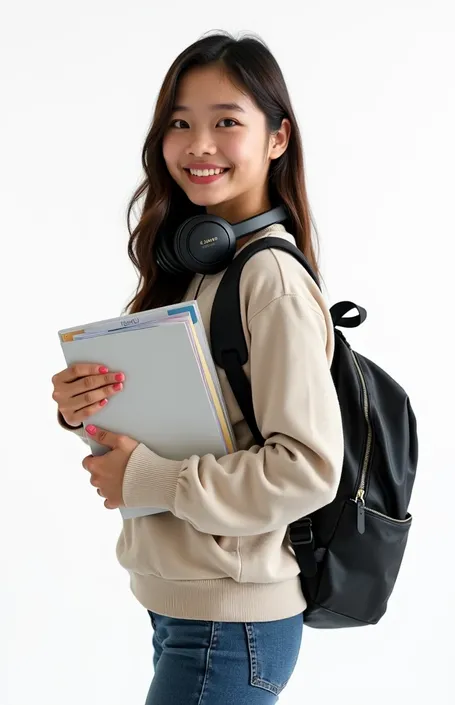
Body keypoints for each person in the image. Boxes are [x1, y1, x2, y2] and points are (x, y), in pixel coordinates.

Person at [52, 32, 344, 704]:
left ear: (277, 138)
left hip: (228, 621)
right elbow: (200, 424)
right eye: (179, 124)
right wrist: (88, 408)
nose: (198, 145)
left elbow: (307, 468)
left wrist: (145, 476)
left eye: (226, 122)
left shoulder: (267, 275)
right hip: (186, 610)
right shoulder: (201, 266)